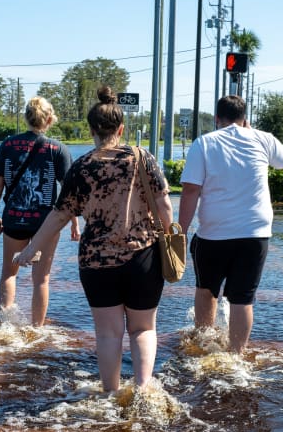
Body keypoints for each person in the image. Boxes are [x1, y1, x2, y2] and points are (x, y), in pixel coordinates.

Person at [15, 86, 174, 392]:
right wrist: (171, 237)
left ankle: (111, 394)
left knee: (108, 334)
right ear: (121, 128)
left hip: (97, 262)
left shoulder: (82, 167)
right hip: (144, 258)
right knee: (142, 329)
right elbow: (165, 204)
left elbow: (59, 215)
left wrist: (30, 250)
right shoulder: (143, 159)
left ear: (91, 130)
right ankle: (142, 389)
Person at [177, 94, 283, 356]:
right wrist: (252, 133)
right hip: (255, 234)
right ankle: (237, 355)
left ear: (217, 118)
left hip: (213, 234)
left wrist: (181, 232)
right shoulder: (263, 139)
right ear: (244, 119)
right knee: (243, 299)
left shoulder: (204, 143)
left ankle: (204, 346)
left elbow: (191, 190)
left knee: (206, 291)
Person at [0, 96, 79, 326]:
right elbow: (69, 192)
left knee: (9, 273)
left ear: (26, 118)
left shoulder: (8, 145)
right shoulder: (58, 150)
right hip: (45, 223)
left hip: (14, 219)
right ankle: (37, 329)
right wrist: (75, 223)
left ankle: (4, 325)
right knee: (41, 280)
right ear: (49, 120)